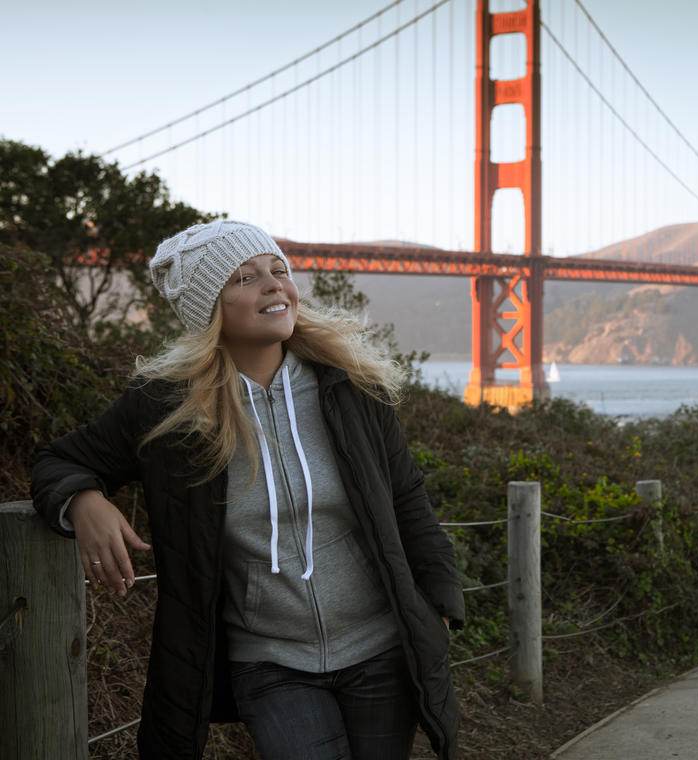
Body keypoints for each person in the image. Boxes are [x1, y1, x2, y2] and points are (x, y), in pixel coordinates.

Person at [31, 220, 464, 760]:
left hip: (381, 649)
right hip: (270, 663)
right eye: (245, 277)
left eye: (278, 270)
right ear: (209, 308)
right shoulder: (168, 408)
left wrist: (438, 608)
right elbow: (58, 460)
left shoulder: (351, 387)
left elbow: (409, 503)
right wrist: (83, 500)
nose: (274, 285)